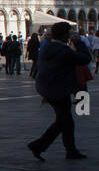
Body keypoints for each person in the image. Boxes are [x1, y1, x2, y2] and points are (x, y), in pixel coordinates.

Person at [28, 22, 90, 160]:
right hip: (57, 90)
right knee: (63, 121)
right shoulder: (62, 50)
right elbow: (85, 59)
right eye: (68, 33)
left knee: (65, 120)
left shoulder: (47, 46)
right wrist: (79, 43)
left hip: (47, 87)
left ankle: (70, 150)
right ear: (65, 35)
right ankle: (39, 145)